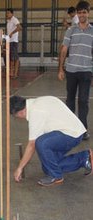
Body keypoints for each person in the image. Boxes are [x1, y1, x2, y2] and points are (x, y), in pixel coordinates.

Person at [10, 95, 92, 187]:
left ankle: (56, 176)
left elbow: (32, 144)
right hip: (72, 132)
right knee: (49, 167)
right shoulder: (36, 102)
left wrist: (20, 168)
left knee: (41, 143)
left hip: (71, 135)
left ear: (20, 113)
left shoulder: (35, 112)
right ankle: (84, 158)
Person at [58, 0, 93, 141]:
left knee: (83, 101)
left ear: (88, 13)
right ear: (77, 14)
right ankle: (70, 128)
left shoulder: (92, 31)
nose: (81, 15)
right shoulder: (70, 30)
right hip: (71, 71)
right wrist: (60, 68)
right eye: (79, 13)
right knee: (70, 101)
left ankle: (83, 130)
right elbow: (64, 49)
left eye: (84, 12)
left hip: (86, 71)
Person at [6, 8, 22, 79]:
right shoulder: (8, 21)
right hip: (9, 41)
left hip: (13, 41)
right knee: (11, 58)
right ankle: (12, 72)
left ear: (12, 14)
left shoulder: (14, 20)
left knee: (15, 58)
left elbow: (19, 27)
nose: (7, 14)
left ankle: (15, 73)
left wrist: (12, 33)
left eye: (9, 13)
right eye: (7, 13)